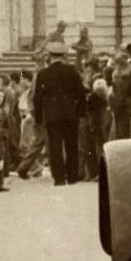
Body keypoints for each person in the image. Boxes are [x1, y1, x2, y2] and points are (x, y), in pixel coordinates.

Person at [33, 39, 87, 184]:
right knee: (71, 145)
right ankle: (72, 176)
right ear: (63, 56)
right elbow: (81, 92)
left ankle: (59, 178)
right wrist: (81, 113)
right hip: (70, 114)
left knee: (55, 146)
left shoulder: (43, 74)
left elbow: (37, 98)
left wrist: (38, 118)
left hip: (52, 115)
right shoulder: (71, 71)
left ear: (49, 56)